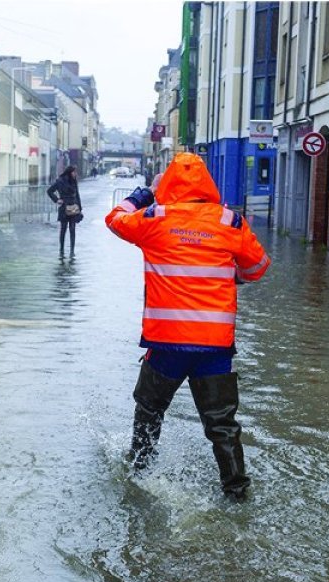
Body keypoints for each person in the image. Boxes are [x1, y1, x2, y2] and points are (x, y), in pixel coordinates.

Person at [105, 152, 271, 501]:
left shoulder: (154, 218)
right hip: (215, 346)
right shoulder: (231, 222)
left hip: (167, 344)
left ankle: (139, 473)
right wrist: (230, 275)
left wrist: (143, 194)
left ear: (167, 183)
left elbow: (115, 218)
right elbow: (257, 269)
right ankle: (237, 492)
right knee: (222, 424)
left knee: (149, 412)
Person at [47, 165, 83, 256]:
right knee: (63, 229)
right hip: (64, 207)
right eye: (74, 172)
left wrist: (80, 208)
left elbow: (77, 195)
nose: (75, 174)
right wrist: (57, 200)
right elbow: (49, 191)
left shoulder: (74, 181)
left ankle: (72, 251)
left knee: (72, 229)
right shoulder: (60, 181)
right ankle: (61, 250)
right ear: (70, 172)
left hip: (74, 207)